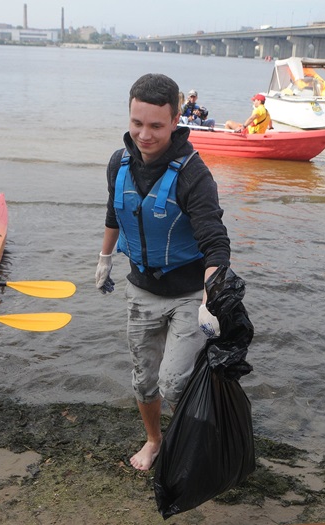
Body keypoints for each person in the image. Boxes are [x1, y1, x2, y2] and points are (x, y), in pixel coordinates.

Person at [95, 73, 230, 471]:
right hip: (142, 290)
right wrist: (104, 259)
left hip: (190, 294)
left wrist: (211, 299)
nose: (144, 135)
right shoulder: (118, 164)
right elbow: (114, 211)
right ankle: (155, 440)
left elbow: (216, 244)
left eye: (156, 125)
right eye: (137, 123)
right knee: (143, 380)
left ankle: (198, 437)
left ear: (175, 121)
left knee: (174, 382)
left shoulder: (193, 175)